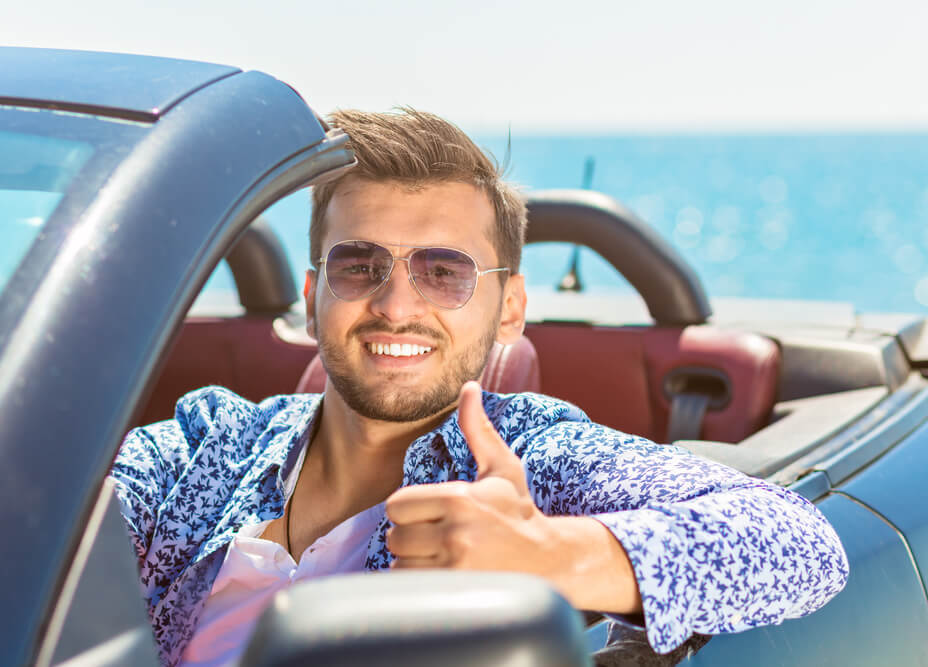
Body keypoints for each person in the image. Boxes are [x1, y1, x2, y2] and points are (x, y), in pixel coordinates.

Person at [111, 108, 848, 667]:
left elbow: (801, 543)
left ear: (511, 310)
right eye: (359, 265)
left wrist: (549, 556)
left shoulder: (532, 457)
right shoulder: (207, 443)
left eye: (443, 272)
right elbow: (48, 522)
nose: (396, 306)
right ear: (313, 297)